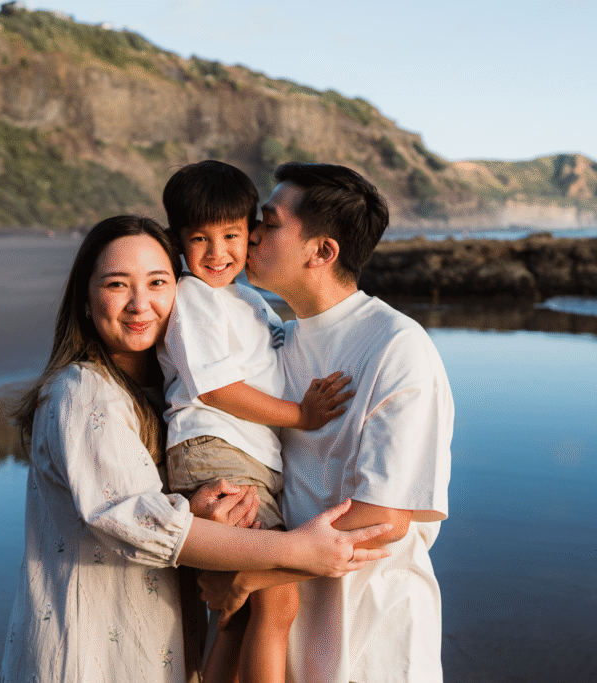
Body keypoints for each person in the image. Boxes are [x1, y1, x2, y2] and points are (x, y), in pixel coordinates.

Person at [0, 215, 393, 683]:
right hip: (90, 660)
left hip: (156, 652)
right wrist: (296, 550)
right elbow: (133, 520)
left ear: (179, 292)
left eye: (158, 282)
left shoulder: (160, 399)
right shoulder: (83, 392)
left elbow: (160, 512)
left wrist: (197, 511)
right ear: (86, 300)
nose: (139, 303)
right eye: (117, 285)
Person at [201, 164, 455, 683]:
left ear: (321, 252)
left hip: (373, 639)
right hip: (280, 634)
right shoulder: (278, 342)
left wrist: (247, 572)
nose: (249, 235)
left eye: (268, 224)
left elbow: (384, 518)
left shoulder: (395, 346)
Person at [158, 161, 353, 683]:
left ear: (252, 235)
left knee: (239, 616)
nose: (217, 253)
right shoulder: (195, 296)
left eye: (232, 236)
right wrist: (300, 415)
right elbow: (216, 388)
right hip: (217, 452)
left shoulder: (248, 300)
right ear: (178, 241)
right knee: (278, 600)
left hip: (245, 458)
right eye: (199, 239)